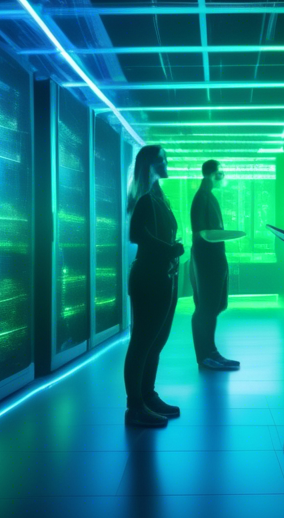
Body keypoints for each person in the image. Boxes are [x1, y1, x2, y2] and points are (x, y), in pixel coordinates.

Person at [124, 145, 184, 427]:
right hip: (149, 277)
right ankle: (135, 406)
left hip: (163, 277)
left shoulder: (159, 197)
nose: (166, 162)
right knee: (142, 343)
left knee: (155, 343)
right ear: (149, 164)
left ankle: (147, 396)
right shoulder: (145, 198)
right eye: (162, 159)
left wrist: (170, 253)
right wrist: (169, 250)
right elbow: (136, 235)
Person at [190, 160, 245, 371]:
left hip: (214, 259)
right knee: (206, 307)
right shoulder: (202, 197)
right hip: (208, 260)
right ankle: (206, 355)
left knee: (214, 306)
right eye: (222, 171)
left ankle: (210, 352)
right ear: (214, 173)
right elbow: (202, 233)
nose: (224, 175)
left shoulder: (207, 196)